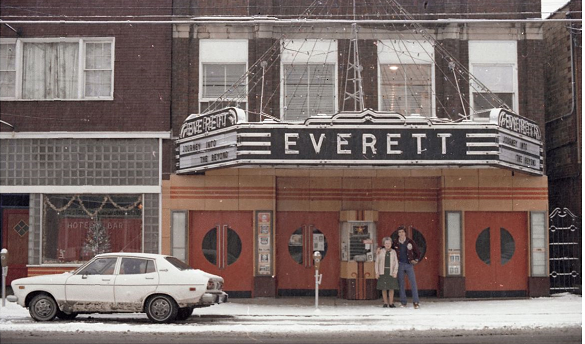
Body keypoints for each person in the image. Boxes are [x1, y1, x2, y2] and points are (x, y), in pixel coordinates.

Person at [393, 225, 421, 309]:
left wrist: (415, 259)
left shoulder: (410, 241)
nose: (401, 234)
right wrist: (381, 248)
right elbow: (388, 247)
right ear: (398, 234)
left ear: (405, 233)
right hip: (400, 265)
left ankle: (416, 302)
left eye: (402, 232)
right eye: (399, 232)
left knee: (413, 283)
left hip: (409, 265)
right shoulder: (395, 242)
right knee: (401, 284)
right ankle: (403, 302)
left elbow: (417, 252)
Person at [375, 237, 398, 308]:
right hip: (383, 271)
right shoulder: (380, 251)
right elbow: (377, 262)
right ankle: (385, 302)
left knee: (391, 288)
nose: (387, 244)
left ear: (391, 244)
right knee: (384, 288)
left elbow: (396, 262)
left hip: (391, 272)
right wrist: (377, 272)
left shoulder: (394, 252)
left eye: (389, 243)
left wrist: (395, 272)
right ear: (383, 244)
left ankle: (391, 303)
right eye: (386, 243)